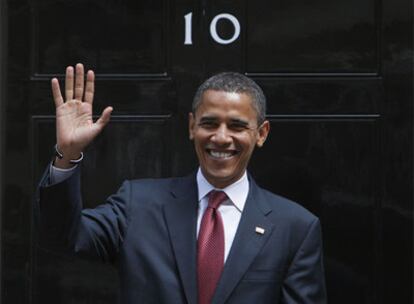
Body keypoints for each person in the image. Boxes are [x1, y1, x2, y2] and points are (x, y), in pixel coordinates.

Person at [35, 63, 327, 304]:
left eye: (237, 126)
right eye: (209, 123)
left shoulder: (295, 228)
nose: (221, 137)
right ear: (191, 126)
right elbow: (64, 238)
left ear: (261, 133)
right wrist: (68, 155)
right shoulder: (138, 204)